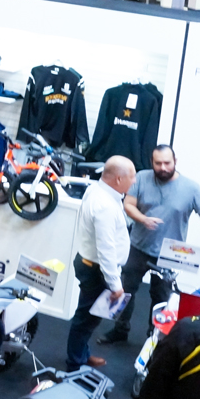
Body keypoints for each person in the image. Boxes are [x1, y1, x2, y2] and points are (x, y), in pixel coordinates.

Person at [102, 145, 200, 344]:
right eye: (158, 163)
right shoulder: (141, 178)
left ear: (175, 161)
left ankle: (154, 337)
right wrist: (143, 219)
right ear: (152, 162)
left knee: (161, 297)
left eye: (167, 163)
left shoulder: (191, 188)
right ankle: (120, 329)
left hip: (171, 252)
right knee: (125, 289)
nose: (163, 167)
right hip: (138, 246)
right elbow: (128, 205)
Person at [67, 155, 136, 371]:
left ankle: (81, 354)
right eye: (132, 176)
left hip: (90, 265)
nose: (134, 181)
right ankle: (75, 363)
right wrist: (115, 284)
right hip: (95, 269)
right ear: (118, 179)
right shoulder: (105, 205)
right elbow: (106, 249)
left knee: (89, 316)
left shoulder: (97, 190)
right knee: (86, 318)